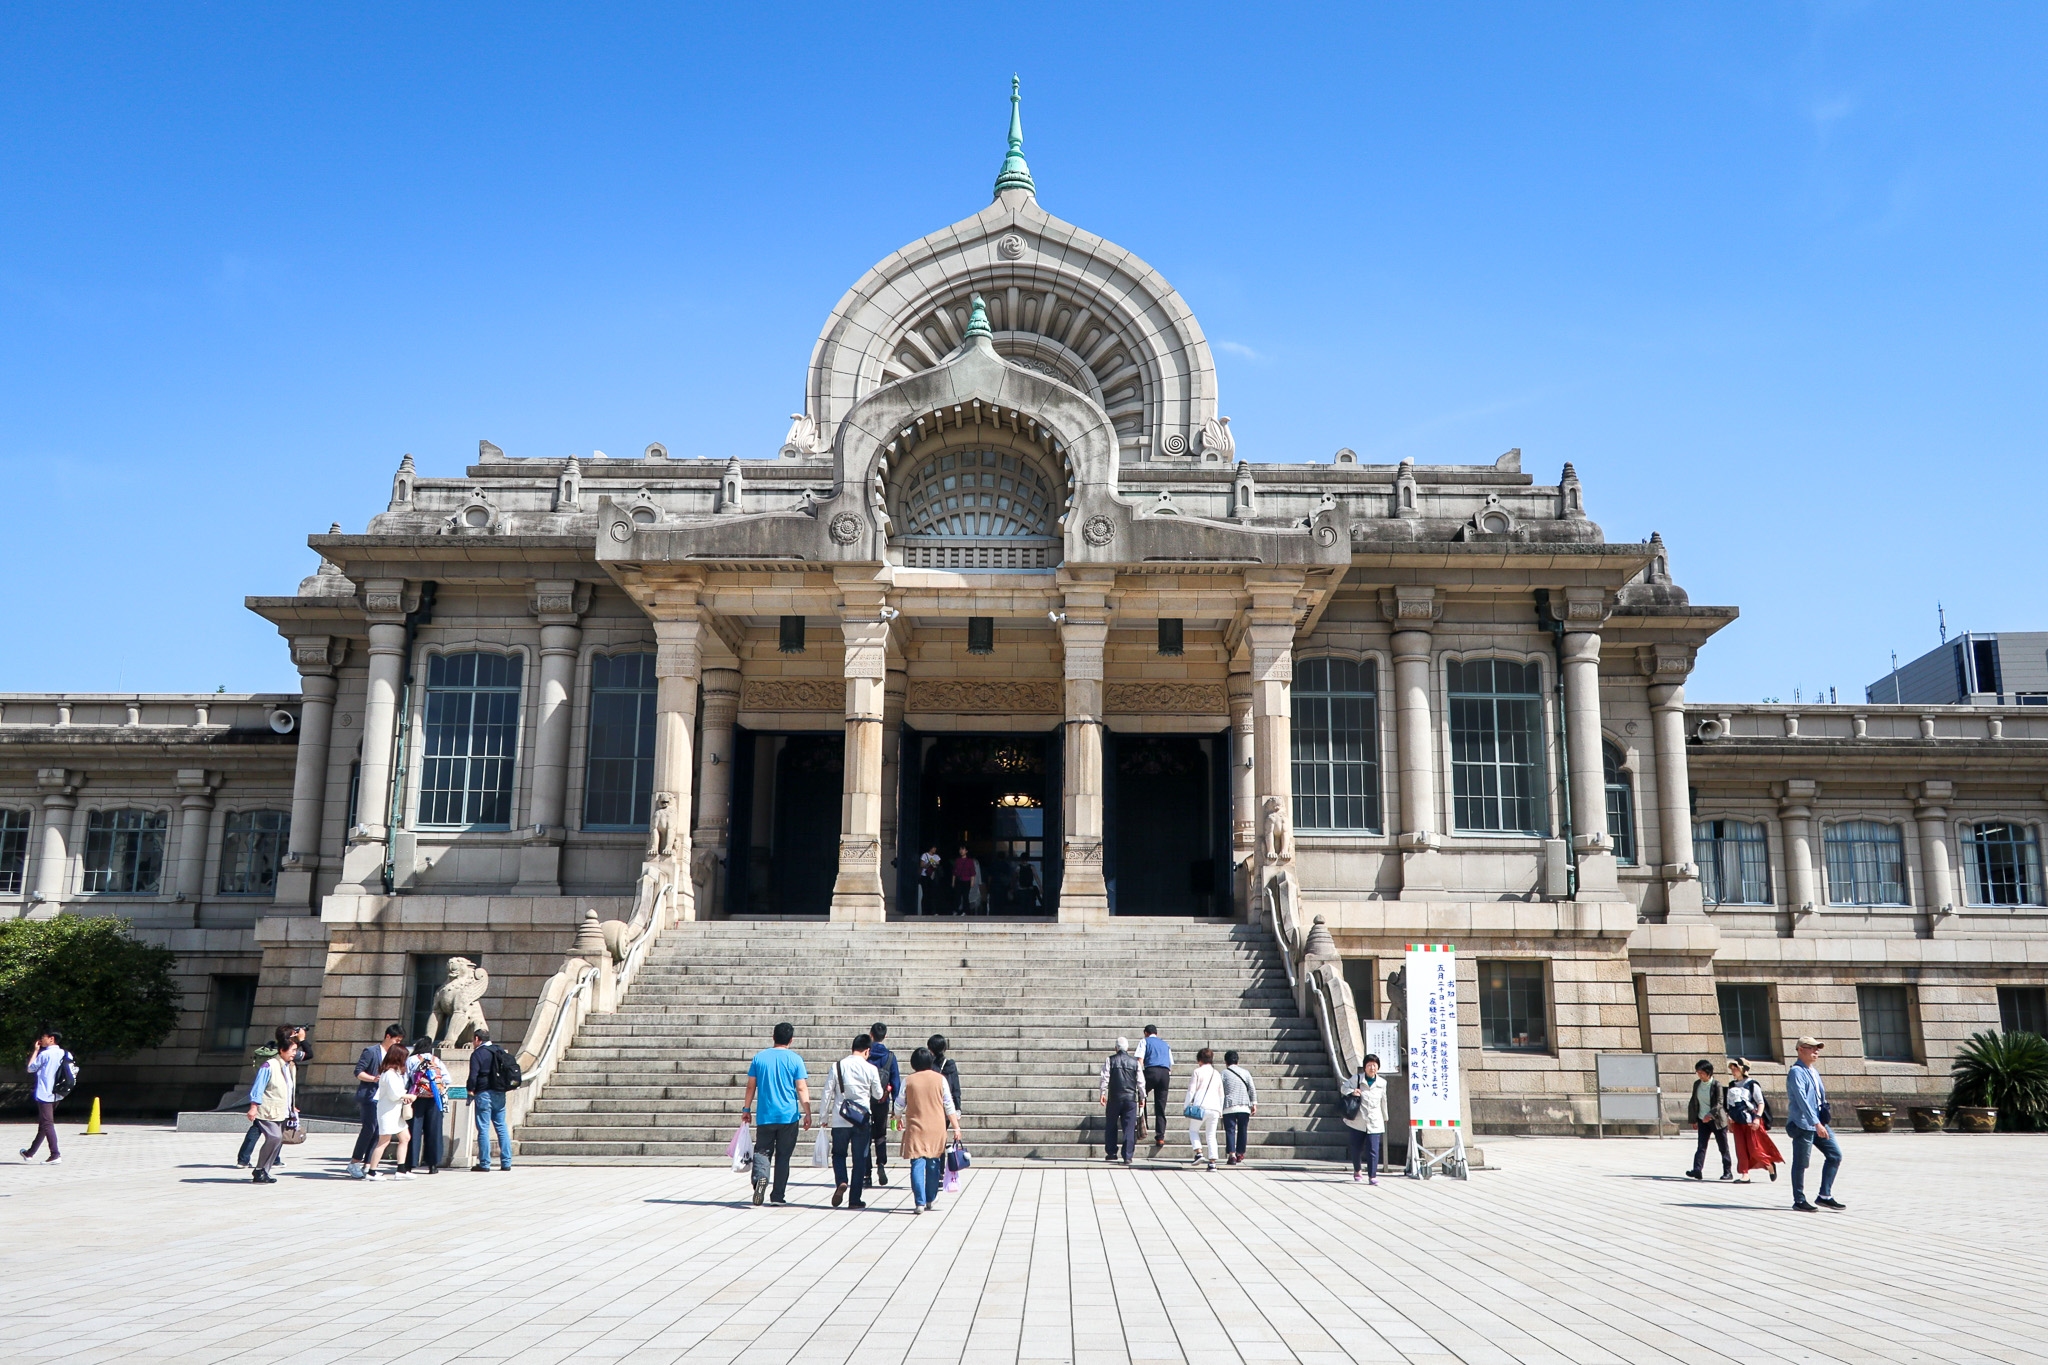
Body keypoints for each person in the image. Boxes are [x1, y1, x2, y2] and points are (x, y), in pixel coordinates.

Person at [742, 1021, 811, 1206]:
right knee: (783, 1156)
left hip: (766, 1114)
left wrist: (746, 1109)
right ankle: (777, 1196)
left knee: (763, 1151)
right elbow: (801, 1087)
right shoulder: (796, 1059)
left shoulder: (760, 1058)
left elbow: (751, 1086)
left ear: (773, 1037)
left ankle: (760, 1178)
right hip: (788, 1115)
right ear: (791, 1040)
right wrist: (808, 1113)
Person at [822, 1032, 885, 1209]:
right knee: (860, 1159)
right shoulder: (871, 1068)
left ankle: (841, 1180)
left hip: (840, 1119)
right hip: (862, 1120)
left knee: (838, 1154)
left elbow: (827, 1092)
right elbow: (878, 1094)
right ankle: (854, 1199)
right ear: (867, 1051)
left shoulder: (837, 1066)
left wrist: (823, 1117)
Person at [899, 1045, 963, 1214]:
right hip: (936, 1126)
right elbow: (949, 1105)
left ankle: (919, 1202)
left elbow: (899, 1103)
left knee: (917, 1163)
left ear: (913, 1063)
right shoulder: (940, 1079)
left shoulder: (908, 1080)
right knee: (934, 1163)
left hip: (915, 1127)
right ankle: (930, 1198)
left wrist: (896, 1118)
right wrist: (956, 1126)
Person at [1785, 1036, 1845, 1213]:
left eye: (1817, 1048)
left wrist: (1821, 1120)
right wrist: (1815, 1122)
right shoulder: (1797, 1072)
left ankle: (1824, 1195)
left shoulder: (1814, 1071)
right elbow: (1802, 1101)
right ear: (1800, 1050)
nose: (1815, 1051)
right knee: (1801, 1162)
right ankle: (1799, 1199)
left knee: (1835, 1155)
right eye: (1811, 1048)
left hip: (1819, 1122)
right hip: (1803, 1124)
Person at [348, 1023, 406, 1179]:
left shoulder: (393, 1054)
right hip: (369, 1095)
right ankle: (354, 1162)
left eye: (400, 1040)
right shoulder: (371, 1051)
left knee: (380, 1132)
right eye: (396, 1039)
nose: (398, 1043)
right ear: (388, 1036)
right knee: (369, 1128)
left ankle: (369, 1164)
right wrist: (374, 1079)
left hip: (384, 1099)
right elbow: (358, 1072)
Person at [238, 1024, 300, 1168]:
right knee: (274, 1137)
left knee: (276, 1139)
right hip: (267, 1109)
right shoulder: (270, 1065)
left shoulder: (289, 1066)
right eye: (293, 1050)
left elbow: (288, 1088)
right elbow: (258, 1087)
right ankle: (257, 1167)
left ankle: (263, 1170)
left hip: (283, 1110)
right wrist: (253, 1107)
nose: (295, 1054)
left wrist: (292, 1105)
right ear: (282, 1050)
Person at [1724, 1057, 1783, 1183]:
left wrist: (1757, 1118)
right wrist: (1729, 1120)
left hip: (1752, 1121)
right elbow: (1729, 1104)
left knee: (1755, 1149)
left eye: (1736, 1068)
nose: (1733, 1070)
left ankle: (1769, 1165)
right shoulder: (1731, 1085)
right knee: (1740, 1149)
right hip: (1738, 1121)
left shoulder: (1752, 1084)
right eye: (1732, 1068)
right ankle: (1745, 1174)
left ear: (1743, 1069)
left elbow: (1760, 1103)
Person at [21, 1028, 72, 1165]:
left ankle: (55, 1154)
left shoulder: (45, 1054)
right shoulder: (66, 1054)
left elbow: (30, 1068)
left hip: (45, 1093)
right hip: (58, 1093)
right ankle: (29, 1153)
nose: (41, 1040)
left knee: (47, 1123)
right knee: (44, 1123)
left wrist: (36, 1051)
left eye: (43, 1037)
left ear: (51, 1039)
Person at [362, 1043, 414, 1179]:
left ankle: (401, 1169)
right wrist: (408, 1096)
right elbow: (394, 1094)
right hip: (388, 1112)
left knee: (405, 1137)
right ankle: (372, 1171)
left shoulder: (393, 1073)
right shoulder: (389, 1074)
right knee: (384, 1141)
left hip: (394, 1112)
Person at [402, 1038, 450, 1174]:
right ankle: (433, 1164)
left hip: (416, 1098)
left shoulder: (412, 1060)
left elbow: (406, 1079)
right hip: (434, 1098)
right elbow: (447, 1079)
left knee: (414, 1130)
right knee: (434, 1131)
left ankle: (410, 1163)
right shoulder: (436, 1061)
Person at [468, 1028, 514, 1173]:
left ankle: (485, 1163)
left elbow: (473, 1075)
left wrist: (470, 1089)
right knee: (501, 1126)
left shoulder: (478, 1054)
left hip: (483, 1093)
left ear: (477, 1039)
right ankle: (506, 1162)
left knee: (483, 1128)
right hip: (500, 1093)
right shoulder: (499, 1050)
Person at [1341, 1053, 1389, 1184]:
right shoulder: (1357, 1079)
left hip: (1375, 1120)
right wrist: (1352, 1092)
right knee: (1356, 1148)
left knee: (1373, 1149)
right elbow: (1343, 1087)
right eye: (1369, 1065)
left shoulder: (1382, 1083)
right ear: (1365, 1067)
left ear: (1378, 1068)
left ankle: (1372, 1176)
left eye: (1374, 1065)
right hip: (1358, 1120)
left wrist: (1385, 1116)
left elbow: (1384, 1101)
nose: (1372, 1068)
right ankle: (1357, 1170)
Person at [1684, 1059, 1733, 1182]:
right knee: (1701, 1146)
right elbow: (1693, 1102)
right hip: (1702, 1120)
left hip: (1717, 1121)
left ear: (1708, 1073)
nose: (1699, 1075)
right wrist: (1693, 1120)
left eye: (1702, 1073)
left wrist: (1710, 1115)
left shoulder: (1716, 1085)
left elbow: (1720, 1103)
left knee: (1723, 1147)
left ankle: (1728, 1171)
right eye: (1698, 1072)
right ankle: (1697, 1169)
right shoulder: (1697, 1084)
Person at [867, 1021, 901, 1187]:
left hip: (865, 1101)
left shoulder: (865, 1055)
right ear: (885, 1036)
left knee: (864, 1135)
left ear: (871, 1035)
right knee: (880, 1134)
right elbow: (896, 1082)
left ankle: (866, 1174)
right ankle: (881, 1164)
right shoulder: (890, 1057)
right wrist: (896, 1108)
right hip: (882, 1101)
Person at [1099, 1036, 1142, 1165]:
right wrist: (1142, 1097)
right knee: (1129, 1128)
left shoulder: (1110, 1060)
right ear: (1128, 1049)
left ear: (1116, 1048)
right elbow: (1141, 1081)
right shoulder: (1135, 1062)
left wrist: (1103, 1092)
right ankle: (1127, 1155)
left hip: (1114, 1098)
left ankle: (1111, 1153)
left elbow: (1105, 1077)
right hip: (1130, 1099)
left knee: (1111, 1125)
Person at [1184, 1047, 1225, 1171]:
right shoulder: (1217, 1073)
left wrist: (1186, 1106)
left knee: (1193, 1130)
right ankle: (1212, 1162)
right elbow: (1221, 1094)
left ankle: (1199, 1152)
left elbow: (1191, 1091)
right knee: (1211, 1135)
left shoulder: (1197, 1072)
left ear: (1199, 1060)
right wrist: (1221, 1109)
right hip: (1215, 1108)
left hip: (1200, 1107)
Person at [1220, 1050, 1258, 1165]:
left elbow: (1220, 1091)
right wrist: (1254, 1103)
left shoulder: (1223, 1073)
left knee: (1230, 1130)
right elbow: (1252, 1088)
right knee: (1243, 1130)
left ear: (1226, 1061)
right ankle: (1240, 1153)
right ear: (1237, 1060)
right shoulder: (1245, 1072)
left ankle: (1232, 1155)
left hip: (1229, 1106)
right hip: (1244, 1106)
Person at [1142, 1024, 1173, 1154]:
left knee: (1141, 1095)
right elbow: (1171, 1063)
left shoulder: (1144, 1041)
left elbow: (1139, 1059)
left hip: (1151, 1071)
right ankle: (1160, 1137)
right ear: (1157, 1033)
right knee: (1160, 1106)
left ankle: (1142, 1125)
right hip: (1164, 1074)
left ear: (1145, 1033)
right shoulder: (1165, 1044)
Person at [928, 1033, 961, 1110]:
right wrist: (957, 1107)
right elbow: (956, 1088)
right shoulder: (950, 1065)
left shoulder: (928, 1065)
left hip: (931, 1107)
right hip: (946, 1109)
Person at [951, 846, 980, 916]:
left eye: (963, 849)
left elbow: (972, 872)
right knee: (957, 896)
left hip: (966, 880)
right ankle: (956, 910)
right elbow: (954, 872)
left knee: (965, 896)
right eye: (960, 849)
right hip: (959, 880)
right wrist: (953, 882)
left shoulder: (970, 861)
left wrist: (972, 882)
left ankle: (965, 911)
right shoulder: (957, 860)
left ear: (966, 851)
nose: (961, 851)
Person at [919, 847, 943, 915]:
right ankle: (924, 911)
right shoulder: (924, 855)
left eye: (935, 848)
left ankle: (933, 911)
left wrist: (933, 862)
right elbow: (921, 865)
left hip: (933, 877)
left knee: (933, 894)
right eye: (933, 848)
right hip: (925, 876)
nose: (935, 849)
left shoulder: (937, 856)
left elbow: (937, 864)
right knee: (925, 894)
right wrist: (929, 863)